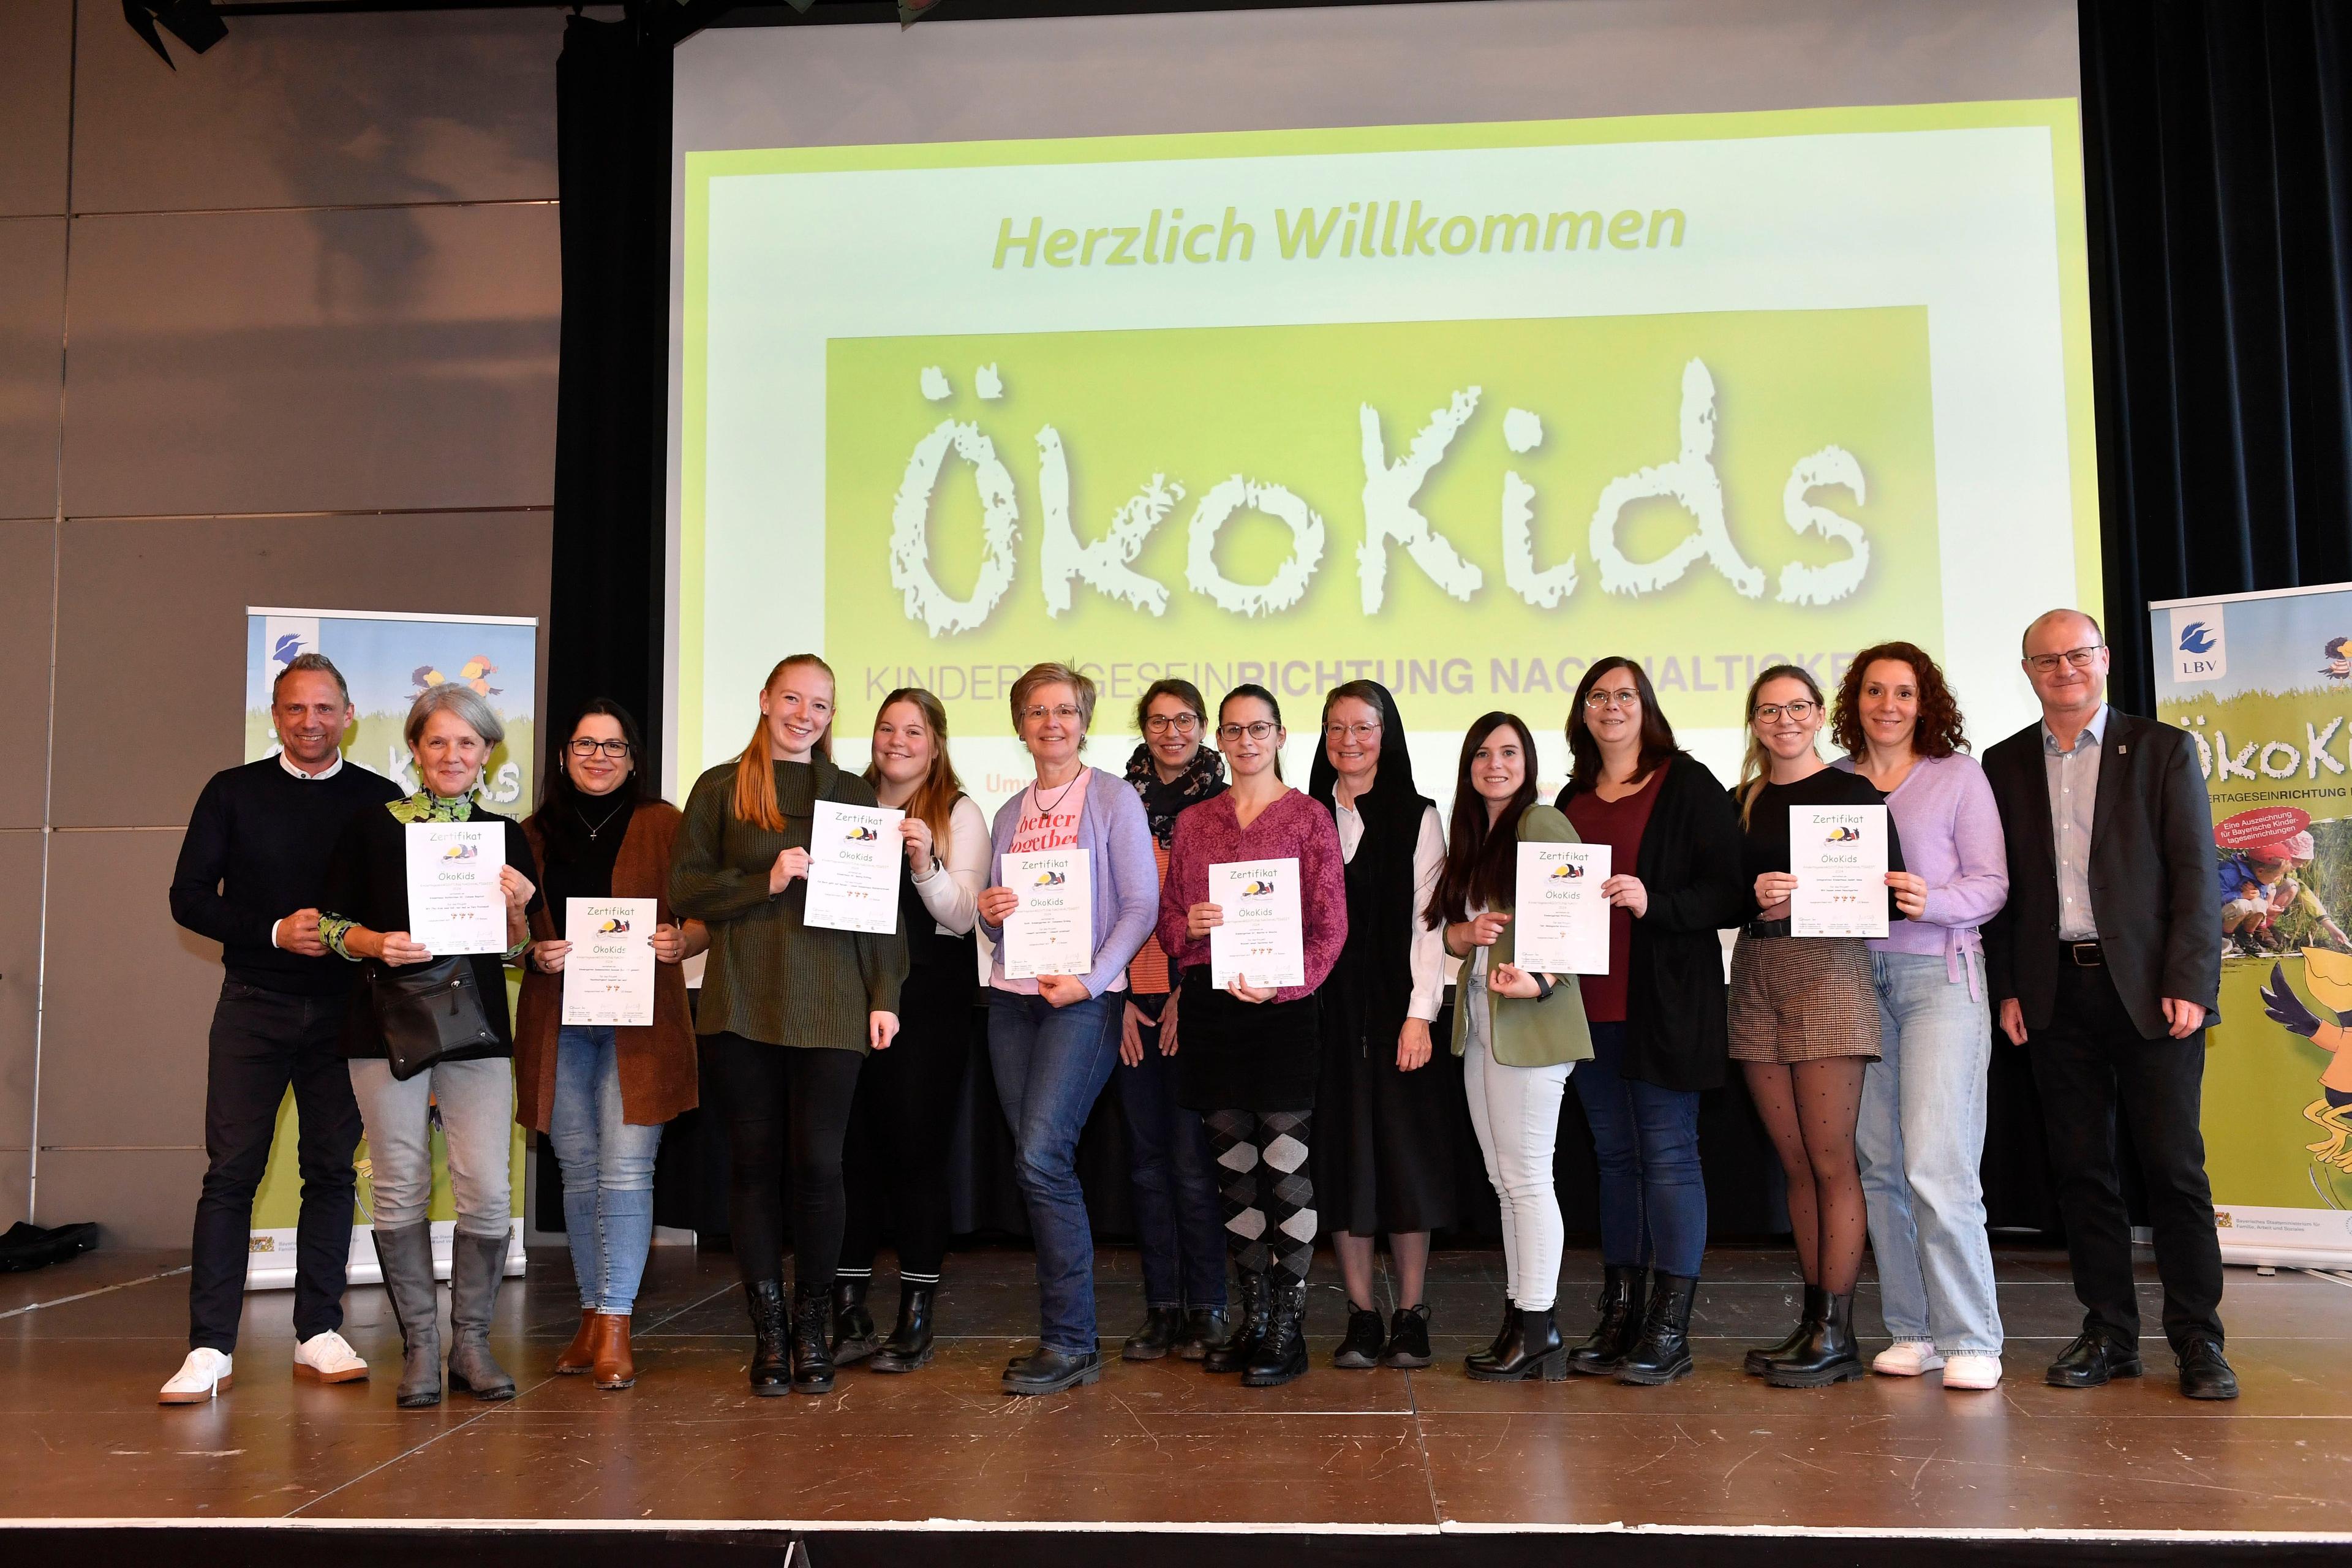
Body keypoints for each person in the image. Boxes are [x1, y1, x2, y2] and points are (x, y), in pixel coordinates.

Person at [1983, 609, 2236, 1401]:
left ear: (2104, 660)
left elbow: (2197, 875)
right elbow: (2003, 890)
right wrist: (2009, 985)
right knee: (2082, 1172)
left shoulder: (2163, 749)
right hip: (2054, 993)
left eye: (2078, 654)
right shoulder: (2003, 762)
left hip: (2153, 992)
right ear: (2028, 671)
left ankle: (2199, 1338)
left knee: (2174, 1168)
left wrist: (2190, 980)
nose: (2065, 669)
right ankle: (2109, 1333)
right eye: (2047, 659)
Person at [160, 653, 401, 1404]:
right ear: (274, 716)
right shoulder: (231, 791)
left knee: (330, 1171)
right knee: (230, 1173)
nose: (310, 722)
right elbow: (188, 896)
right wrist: (270, 930)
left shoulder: (382, 800)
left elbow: (399, 906)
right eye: (295, 708)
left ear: (349, 716)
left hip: (346, 1013)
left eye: (324, 708)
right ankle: (209, 1347)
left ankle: (318, 1331)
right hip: (253, 1005)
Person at [669, 655, 906, 1397]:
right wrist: (762, 880)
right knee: (753, 1166)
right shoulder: (719, 787)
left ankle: (812, 1328)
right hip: (742, 1003)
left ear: (832, 716)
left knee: (820, 1168)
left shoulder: (852, 792)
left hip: (833, 1004)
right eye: (794, 699)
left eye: (821, 705)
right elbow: (685, 888)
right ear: (766, 699)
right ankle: (769, 1335)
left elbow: (883, 910)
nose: (806, 715)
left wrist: (885, 994)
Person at [318, 682, 541, 1409]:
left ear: (487, 754)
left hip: (475, 1027)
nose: (452, 754)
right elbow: (329, 925)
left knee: (488, 1189)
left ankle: (470, 1344)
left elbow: (514, 952)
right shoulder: (368, 827)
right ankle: (420, 1347)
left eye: (467, 742)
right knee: (400, 1183)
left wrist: (518, 910)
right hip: (382, 1023)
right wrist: (376, 942)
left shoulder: (503, 835)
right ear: (415, 748)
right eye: (438, 740)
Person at [1554, 657, 1747, 1385]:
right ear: (1583, 711)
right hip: (1586, 1008)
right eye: (1598, 695)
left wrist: (1653, 902)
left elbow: (1729, 892)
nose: (1611, 706)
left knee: (1669, 1156)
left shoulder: (1687, 782)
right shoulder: (1571, 796)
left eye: (1625, 695)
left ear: (1647, 706)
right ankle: (1621, 1314)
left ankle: (1669, 1328)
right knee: (1614, 1160)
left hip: (1664, 1005)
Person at [1156, 685, 1348, 1389]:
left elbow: (1331, 927)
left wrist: (1284, 986)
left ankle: (1288, 1328)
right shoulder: (1196, 821)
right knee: (1234, 1175)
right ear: (1220, 739)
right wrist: (1189, 926)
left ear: (1281, 735)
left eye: (1258, 729)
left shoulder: (1309, 817)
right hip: (1214, 1008)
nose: (1245, 742)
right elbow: (1169, 922)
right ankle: (1255, 1316)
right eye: (1233, 731)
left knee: (1285, 1169)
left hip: (1282, 1011)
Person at [975, 661, 1158, 1396]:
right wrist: (991, 915)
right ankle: (1068, 1335)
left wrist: (1093, 979)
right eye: (1037, 711)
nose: (1051, 722)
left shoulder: (1113, 798)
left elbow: (1141, 905)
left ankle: (1072, 1340)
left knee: (1042, 1156)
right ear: (1020, 725)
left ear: (1084, 722)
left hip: (1083, 1002)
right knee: (1035, 1163)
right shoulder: (1007, 814)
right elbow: (999, 927)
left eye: (1065, 710)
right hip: (1010, 1002)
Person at [1830, 644, 2010, 1392]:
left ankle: (1972, 1336)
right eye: (1875, 691)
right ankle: (1914, 1330)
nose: (1888, 705)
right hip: (1852, 982)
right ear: (1856, 701)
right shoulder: (1833, 783)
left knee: (1937, 1161)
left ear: (1925, 702)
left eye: (1903, 692)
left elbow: (1992, 885)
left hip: (1940, 977)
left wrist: (1930, 899)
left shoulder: (1958, 776)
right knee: (1880, 1165)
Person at [1732, 663, 1916, 1389]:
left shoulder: (1854, 795)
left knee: (1832, 1159)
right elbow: (1718, 893)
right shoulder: (1741, 801)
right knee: (1796, 1163)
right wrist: (1750, 892)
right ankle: (1814, 1321)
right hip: (1756, 972)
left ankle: (1837, 1333)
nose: (1784, 720)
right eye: (1769, 710)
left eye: (1797, 707)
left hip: (1829, 971)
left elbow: (1890, 896)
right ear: (1755, 722)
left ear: (1817, 715)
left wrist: (1838, 895)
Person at [514, 699, 705, 1391]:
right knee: (578, 1172)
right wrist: (531, 952)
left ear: (633, 758)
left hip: (641, 1024)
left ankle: (618, 1323)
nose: (599, 757)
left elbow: (704, 913)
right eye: (585, 744)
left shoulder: (666, 825)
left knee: (626, 1170)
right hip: (557, 1021)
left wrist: (682, 940)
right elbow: (508, 931)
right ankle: (592, 1315)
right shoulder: (530, 834)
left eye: (614, 746)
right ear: (564, 755)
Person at [1433, 711, 1593, 1382]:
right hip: (1482, 1022)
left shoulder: (1541, 822)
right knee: (1506, 1181)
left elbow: (1577, 911)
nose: (1494, 764)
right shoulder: (1477, 834)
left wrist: (1544, 979)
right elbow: (1454, 933)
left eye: (1507, 752)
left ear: (1528, 761)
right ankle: (1522, 1318)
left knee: (1526, 1178)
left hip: (1531, 1025)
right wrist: (1461, 936)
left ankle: (1538, 1325)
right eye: (1481, 753)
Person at [834, 688, 989, 1374]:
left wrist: (924, 862)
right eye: (886, 727)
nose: (897, 740)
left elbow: (963, 916)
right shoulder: (845, 804)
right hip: (848, 997)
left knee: (916, 1155)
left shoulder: (958, 810)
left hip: (928, 1002)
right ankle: (847, 1309)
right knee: (850, 1155)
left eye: (914, 731)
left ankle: (915, 1316)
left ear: (937, 743)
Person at [1308, 680, 1452, 1371]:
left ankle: (1411, 1314)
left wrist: (1420, 1015)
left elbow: (1430, 925)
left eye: (1363, 727)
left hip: (1400, 1019)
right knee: (1344, 1167)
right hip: (1325, 1022)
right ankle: (1362, 1314)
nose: (1350, 741)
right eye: (1337, 728)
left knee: (1404, 1166)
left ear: (1385, 734)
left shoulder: (1418, 815)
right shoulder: (1304, 815)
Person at [1114, 678, 1232, 1363]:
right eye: (1158, 721)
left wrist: (1191, 990)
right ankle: (1162, 1308)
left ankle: (1208, 1307)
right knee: (1146, 1164)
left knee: (1193, 1163)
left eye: (1184, 720)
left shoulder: (1225, 805)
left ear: (1203, 726)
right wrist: (1120, 995)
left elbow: (1234, 910)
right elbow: (1103, 905)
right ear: (1143, 729)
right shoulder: (1115, 802)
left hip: (1198, 1001)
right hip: (1130, 1000)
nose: (1171, 733)